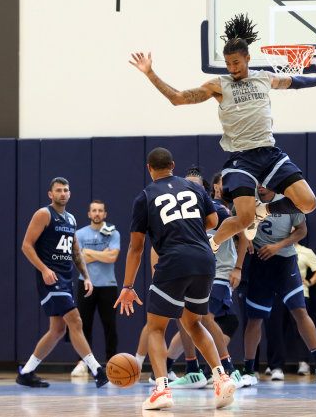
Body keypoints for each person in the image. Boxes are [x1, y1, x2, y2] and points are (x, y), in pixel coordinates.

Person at [129, 14, 316, 250]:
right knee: (244, 219)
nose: (232, 68)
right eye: (228, 64)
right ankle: (215, 242)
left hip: (270, 154)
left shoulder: (264, 78)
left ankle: (265, 210)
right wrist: (150, 73)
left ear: (247, 58)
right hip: (242, 159)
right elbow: (178, 99)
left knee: (308, 203)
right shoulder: (219, 85)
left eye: (236, 63)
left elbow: (294, 81)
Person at [115, 148, 236, 410]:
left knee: (157, 328)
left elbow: (136, 247)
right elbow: (213, 220)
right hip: (205, 260)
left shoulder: (144, 197)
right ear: (172, 165)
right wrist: (189, 230)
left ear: (149, 169)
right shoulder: (195, 188)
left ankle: (162, 389)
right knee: (193, 323)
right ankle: (221, 376)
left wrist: (127, 286)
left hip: (173, 261)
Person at [17, 177, 108, 388]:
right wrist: (44, 269)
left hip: (66, 279)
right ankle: (97, 370)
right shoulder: (43, 214)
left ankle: (27, 372)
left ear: (70, 193)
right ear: (51, 194)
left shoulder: (71, 219)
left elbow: (75, 250)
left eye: (66, 190)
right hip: (50, 278)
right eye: (58, 190)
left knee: (57, 329)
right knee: (75, 320)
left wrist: (86, 276)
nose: (63, 193)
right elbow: (26, 245)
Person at [239, 184, 316, 386]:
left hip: (285, 263)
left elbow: (301, 231)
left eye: (265, 183)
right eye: (258, 182)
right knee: (254, 319)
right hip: (260, 264)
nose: (261, 187)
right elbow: (235, 222)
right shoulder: (248, 199)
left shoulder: (288, 200)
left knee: (300, 311)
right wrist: (243, 235)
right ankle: (248, 370)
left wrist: (279, 245)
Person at [169, 166, 244, 389]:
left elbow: (244, 231)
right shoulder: (179, 214)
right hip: (193, 272)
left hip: (219, 272)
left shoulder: (218, 211)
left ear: (205, 190)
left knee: (206, 318)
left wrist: (238, 267)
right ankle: (192, 370)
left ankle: (228, 369)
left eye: (194, 185)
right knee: (184, 318)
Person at [70, 200, 121, 377]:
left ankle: (112, 363)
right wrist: (102, 253)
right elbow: (79, 258)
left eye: (100, 210)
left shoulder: (114, 233)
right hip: (86, 283)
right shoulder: (80, 233)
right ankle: (82, 363)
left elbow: (113, 257)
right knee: (83, 325)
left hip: (108, 285)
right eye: (94, 210)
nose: (97, 213)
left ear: (105, 214)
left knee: (110, 326)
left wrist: (88, 253)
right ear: (89, 214)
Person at [293, 242, 316, 376]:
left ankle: (310, 363)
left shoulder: (305, 251)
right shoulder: (276, 248)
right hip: (278, 293)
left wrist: (309, 282)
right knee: (275, 330)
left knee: (300, 327)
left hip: (301, 292)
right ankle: (275, 367)